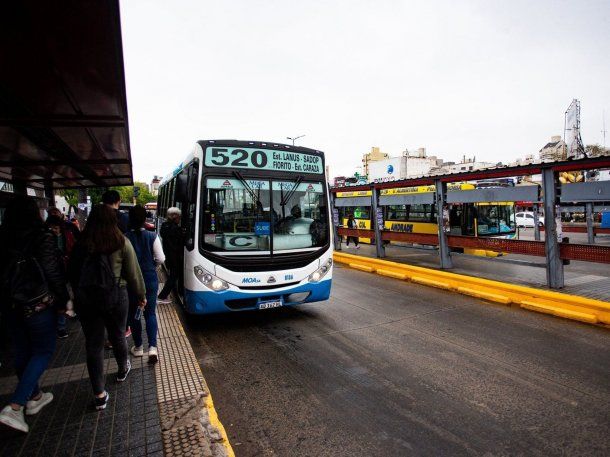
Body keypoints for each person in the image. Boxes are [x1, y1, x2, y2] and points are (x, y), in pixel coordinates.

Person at [0, 196, 69, 433]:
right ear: (34, 213)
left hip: (10, 305)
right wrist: (62, 300)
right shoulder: (42, 236)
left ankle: (36, 395)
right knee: (42, 351)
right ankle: (16, 406)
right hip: (36, 303)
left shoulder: (3, 236)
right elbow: (52, 270)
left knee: (22, 351)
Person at [68, 205, 146, 410]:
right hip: (116, 295)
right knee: (118, 334)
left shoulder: (81, 243)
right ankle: (122, 369)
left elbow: (72, 273)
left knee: (93, 344)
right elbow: (134, 273)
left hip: (87, 300)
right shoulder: (121, 242)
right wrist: (141, 296)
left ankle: (99, 394)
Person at [125, 205, 165, 363]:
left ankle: (139, 347)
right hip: (149, 279)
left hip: (132, 281)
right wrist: (153, 265)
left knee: (134, 315)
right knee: (150, 313)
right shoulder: (152, 235)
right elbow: (161, 258)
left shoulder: (125, 237)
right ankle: (153, 348)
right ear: (144, 218)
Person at [45, 215, 76, 339]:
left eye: (57, 228)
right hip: (56, 275)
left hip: (65, 271)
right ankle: (60, 326)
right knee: (60, 298)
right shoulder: (45, 239)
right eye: (52, 228)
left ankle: (62, 324)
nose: (55, 231)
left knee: (64, 296)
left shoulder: (66, 235)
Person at [157, 207, 183, 304]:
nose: (179, 218)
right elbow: (180, 243)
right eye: (179, 216)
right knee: (173, 277)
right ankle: (162, 296)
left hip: (168, 255)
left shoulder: (164, 226)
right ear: (174, 216)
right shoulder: (176, 229)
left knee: (173, 275)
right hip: (175, 257)